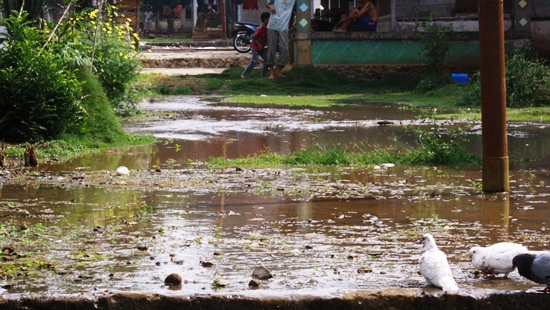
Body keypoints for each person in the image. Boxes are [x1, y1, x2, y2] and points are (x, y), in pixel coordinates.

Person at [266, 0, 296, 80]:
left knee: (285, 49)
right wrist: (271, 6)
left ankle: (278, 70)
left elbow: (302, 7)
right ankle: (271, 72)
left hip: (284, 27)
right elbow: (267, 4)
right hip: (273, 25)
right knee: (271, 49)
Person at [241, 12, 271, 78]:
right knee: (254, 61)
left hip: (261, 48)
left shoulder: (267, 28)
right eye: (269, 18)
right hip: (255, 47)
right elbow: (254, 37)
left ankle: (262, 76)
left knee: (267, 61)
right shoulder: (260, 28)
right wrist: (259, 44)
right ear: (265, 19)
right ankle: (243, 74)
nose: (270, 20)